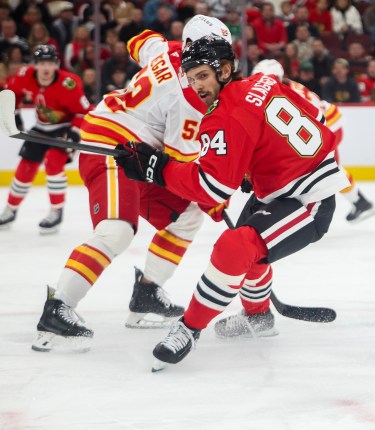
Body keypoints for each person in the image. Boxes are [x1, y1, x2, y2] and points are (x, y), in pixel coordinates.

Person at [112, 35, 350, 368]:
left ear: (224, 70)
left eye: (203, 76)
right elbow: (316, 118)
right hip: (281, 188)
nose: (196, 85)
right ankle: (259, 317)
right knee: (250, 250)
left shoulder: (224, 116)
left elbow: (211, 190)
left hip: (308, 200)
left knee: (236, 246)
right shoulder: (260, 84)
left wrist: (157, 169)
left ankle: (189, 329)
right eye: (191, 78)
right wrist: (257, 168)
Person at [31, 17, 232, 353]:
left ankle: (147, 293)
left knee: (188, 214)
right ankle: (58, 306)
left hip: (135, 156)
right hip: (112, 147)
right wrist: (213, 196)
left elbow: (141, 40)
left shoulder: (168, 50)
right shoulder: (190, 100)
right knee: (118, 230)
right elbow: (178, 163)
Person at [253, 59, 375, 223]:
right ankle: (360, 202)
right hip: (327, 125)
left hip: (328, 127)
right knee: (325, 169)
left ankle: (361, 202)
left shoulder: (284, 92)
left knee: (328, 169)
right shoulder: (283, 87)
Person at [0, 45, 91, 233]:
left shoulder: (70, 83)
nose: (46, 68)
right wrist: (14, 112)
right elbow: (10, 93)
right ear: (35, 65)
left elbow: (83, 112)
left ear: (57, 65)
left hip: (64, 130)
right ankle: (10, 209)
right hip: (40, 128)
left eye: (50, 63)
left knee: (53, 165)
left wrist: (74, 134)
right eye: (42, 63)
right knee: (25, 168)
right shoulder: (25, 74)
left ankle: (56, 212)